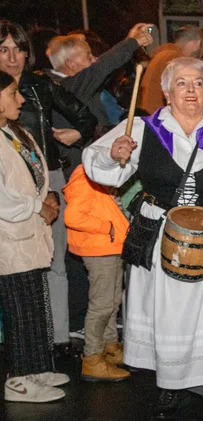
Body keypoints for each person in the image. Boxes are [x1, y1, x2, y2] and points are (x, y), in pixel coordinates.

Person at [83, 57, 203, 421]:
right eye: (181, 83)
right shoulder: (142, 128)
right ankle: (170, 384)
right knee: (169, 312)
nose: (191, 90)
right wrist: (114, 154)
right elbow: (101, 166)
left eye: (198, 83)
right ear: (166, 92)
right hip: (161, 232)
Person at [2, 20, 96, 354]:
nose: (12, 58)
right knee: (12, 262)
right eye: (3, 50)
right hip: (8, 184)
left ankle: (56, 338)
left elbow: (85, 116)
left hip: (48, 181)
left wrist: (77, 134)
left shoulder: (39, 85)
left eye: (18, 50)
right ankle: (21, 343)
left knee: (54, 259)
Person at [0, 71, 67, 403]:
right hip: (10, 238)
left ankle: (36, 367)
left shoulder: (14, 132)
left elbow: (35, 172)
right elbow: (3, 198)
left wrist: (48, 197)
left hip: (30, 233)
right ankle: (18, 378)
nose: (22, 99)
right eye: (13, 93)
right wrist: (37, 206)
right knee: (19, 309)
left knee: (34, 303)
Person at [63, 163, 129, 381]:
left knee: (112, 302)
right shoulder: (85, 175)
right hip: (99, 248)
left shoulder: (99, 173)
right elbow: (73, 216)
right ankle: (92, 358)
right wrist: (107, 228)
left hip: (110, 246)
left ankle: (109, 346)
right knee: (101, 305)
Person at [46, 24, 154, 127]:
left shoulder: (74, 86)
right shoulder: (66, 88)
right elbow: (101, 67)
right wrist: (132, 43)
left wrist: (129, 41)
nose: (95, 59)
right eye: (89, 56)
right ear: (71, 64)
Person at [137, 25, 203, 113]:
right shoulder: (175, 59)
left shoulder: (163, 55)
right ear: (197, 43)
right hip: (160, 115)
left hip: (151, 112)